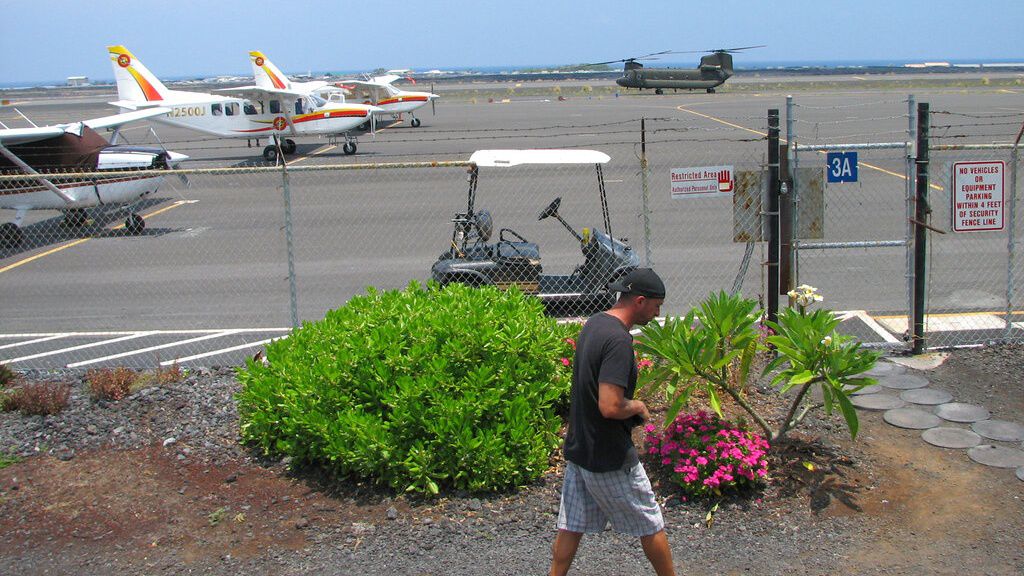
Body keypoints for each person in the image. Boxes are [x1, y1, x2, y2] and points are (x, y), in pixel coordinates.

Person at [550, 267, 676, 576]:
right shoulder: (619, 342)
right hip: (608, 456)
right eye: (656, 306)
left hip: (580, 449)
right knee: (650, 522)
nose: (657, 312)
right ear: (640, 301)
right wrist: (638, 406)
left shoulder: (595, 324)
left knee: (571, 526)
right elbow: (609, 405)